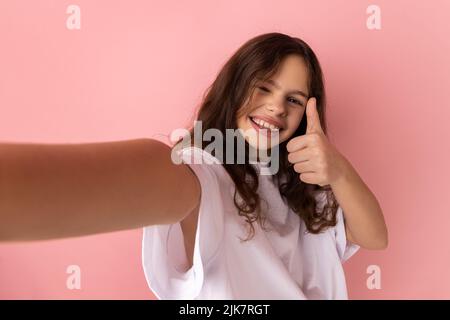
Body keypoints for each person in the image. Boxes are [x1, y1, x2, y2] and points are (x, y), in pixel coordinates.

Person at [0, 32, 388, 299]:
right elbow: (159, 179)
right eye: (263, 86)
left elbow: (374, 236)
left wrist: (337, 168)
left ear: (307, 113)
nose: (275, 106)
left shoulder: (302, 187)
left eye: (294, 99)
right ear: (234, 86)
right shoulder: (203, 168)